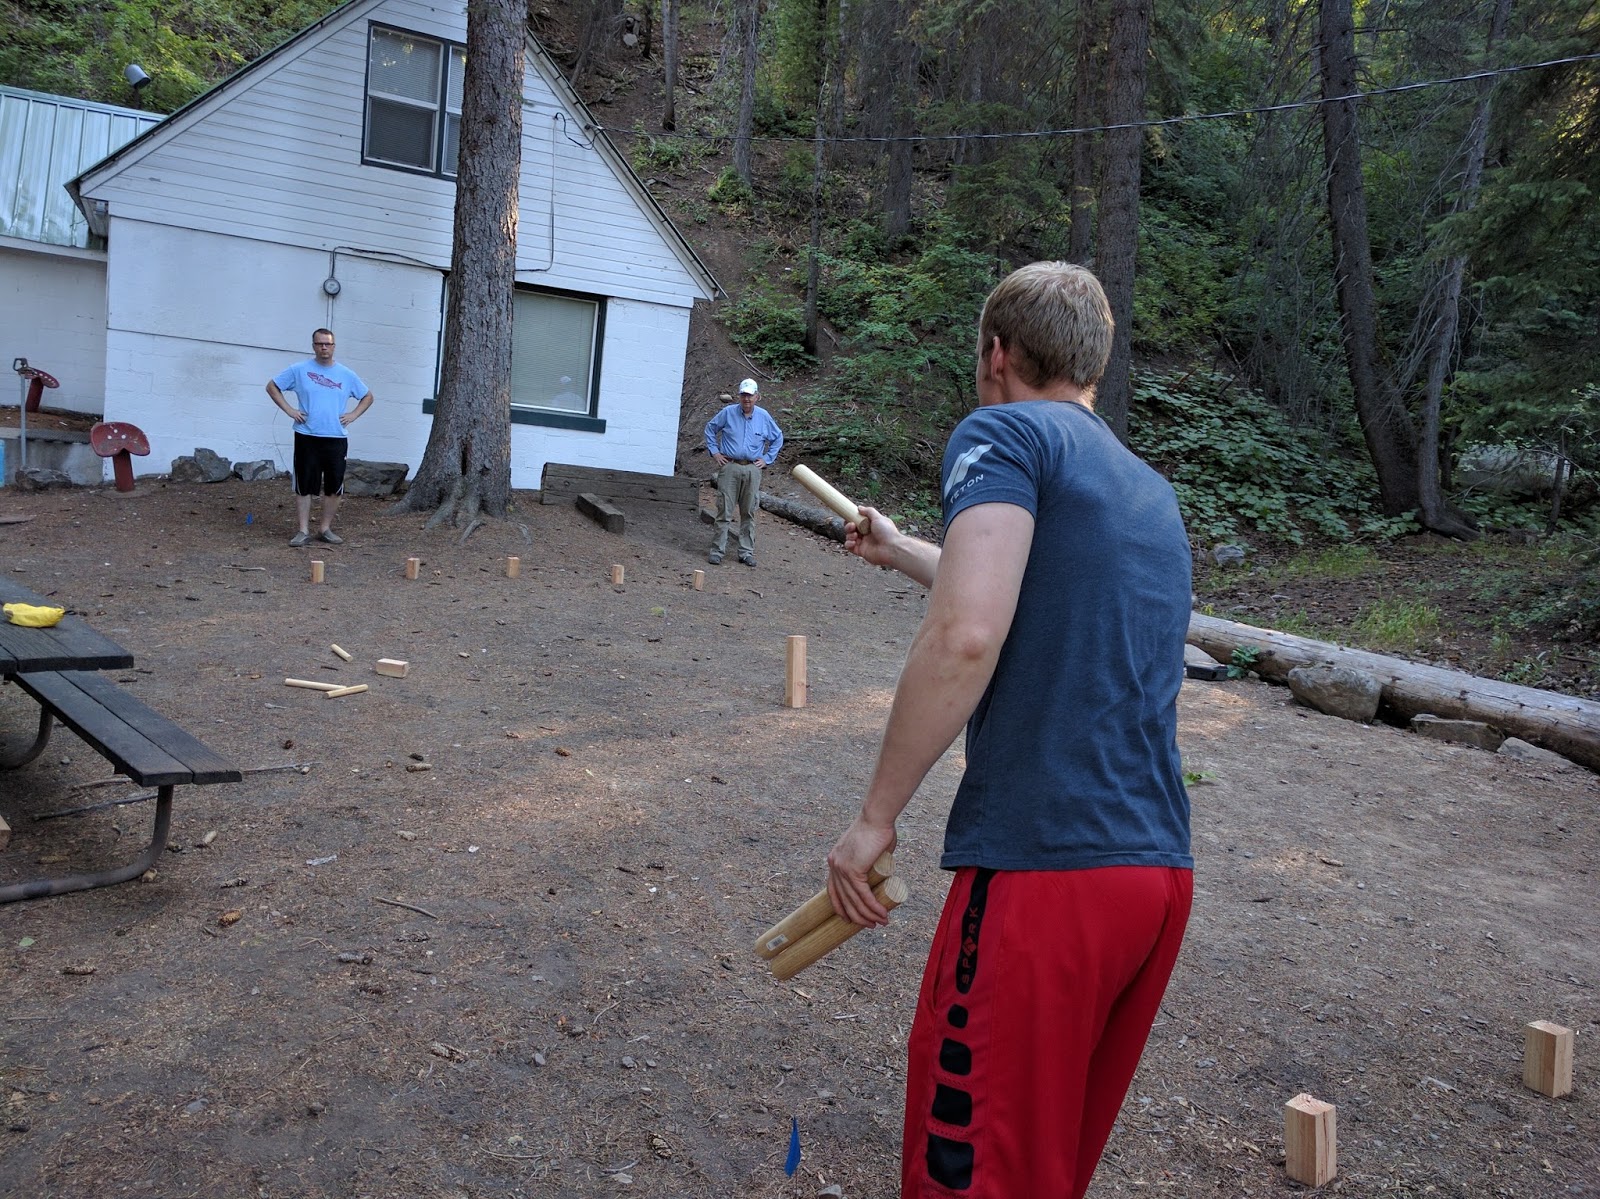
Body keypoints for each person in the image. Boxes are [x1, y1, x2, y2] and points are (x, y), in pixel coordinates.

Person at [824, 262, 1194, 1199]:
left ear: (997, 352)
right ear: (1092, 365)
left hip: (1046, 878)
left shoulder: (1004, 431)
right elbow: (1033, 591)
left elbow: (970, 629)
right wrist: (901, 544)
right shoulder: (1147, 488)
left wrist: (874, 817)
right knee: (1041, 1171)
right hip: (1151, 879)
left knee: (974, 1174)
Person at [266, 329, 374, 547]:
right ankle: (303, 530)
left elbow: (367, 396)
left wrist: (353, 415)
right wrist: (290, 411)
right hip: (307, 435)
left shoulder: (346, 374)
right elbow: (272, 387)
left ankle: (325, 528)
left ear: (334, 347)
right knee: (305, 485)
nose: (324, 348)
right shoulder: (299, 370)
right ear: (313, 346)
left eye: (328, 344)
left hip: (335, 437)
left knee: (334, 486)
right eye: (320, 344)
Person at [703, 378, 783, 566]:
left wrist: (767, 458)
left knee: (749, 511)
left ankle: (746, 552)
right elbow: (710, 429)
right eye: (743, 395)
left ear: (757, 396)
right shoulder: (728, 413)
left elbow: (777, 438)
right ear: (739, 396)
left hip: (752, 468)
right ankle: (717, 551)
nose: (746, 399)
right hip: (730, 466)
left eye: (750, 395)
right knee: (724, 510)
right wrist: (715, 452)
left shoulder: (764, 416)